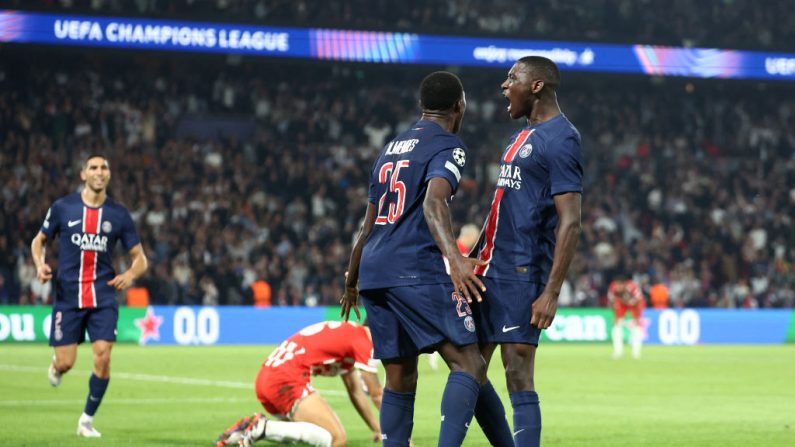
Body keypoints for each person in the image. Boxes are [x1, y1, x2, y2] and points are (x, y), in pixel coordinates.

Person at [341, 71, 513, 447]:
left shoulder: (389, 149)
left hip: (373, 272)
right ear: (459, 106)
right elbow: (435, 204)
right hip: (413, 268)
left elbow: (367, 224)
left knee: (400, 375)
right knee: (469, 363)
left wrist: (352, 279)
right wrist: (456, 259)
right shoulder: (448, 145)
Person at [471, 56, 583, 447]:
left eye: (512, 78)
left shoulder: (562, 137)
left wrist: (551, 291)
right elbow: (500, 208)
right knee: (468, 369)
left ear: (536, 86)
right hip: (488, 269)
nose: (504, 85)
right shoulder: (521, 136)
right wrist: (473, 254)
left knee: (517, 370)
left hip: (523, 273)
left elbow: (570, 220)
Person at [30, 154, 148, 437]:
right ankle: (57, 368)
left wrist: (130, 275)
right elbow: (39, 240)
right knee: (66, 362)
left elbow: (140, 258)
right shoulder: (62, 208)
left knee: (103, 357)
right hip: (69, 297)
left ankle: (86, 421)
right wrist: (39, 264)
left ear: (109, 174)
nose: (99, 171)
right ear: (83, 174)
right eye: (93, 167)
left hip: (104, 296)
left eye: (104, 167)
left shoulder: (118, 214)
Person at [215, 320, 382, 447]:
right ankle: (261, 427)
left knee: (320, 436)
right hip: (285, 380)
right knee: (337, 438)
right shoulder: (362, 341)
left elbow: (356, 392)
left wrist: (377, 428)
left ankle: (238, 436)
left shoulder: (349, 334)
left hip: (267, 378)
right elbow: (376, 394)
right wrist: (396, 437)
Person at [608, 276, 646, 359]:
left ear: (624, 284)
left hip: (635, 304)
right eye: (616, 285)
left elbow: (639, 301)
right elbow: (612, 301)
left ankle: (636, 352)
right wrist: (615, 315)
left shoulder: (633, 288)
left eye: (619, 285)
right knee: (616, 325)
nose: (617, 287)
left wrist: (637, 317)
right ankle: (618, 352)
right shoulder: (613, 288)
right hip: (621, 303)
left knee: (637, 326)